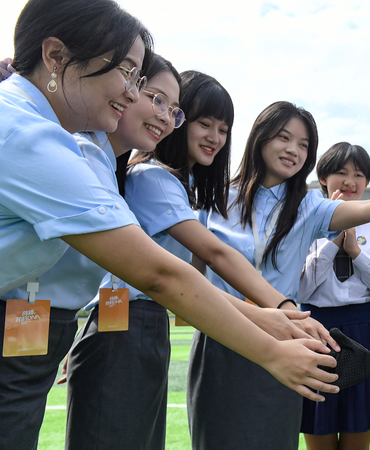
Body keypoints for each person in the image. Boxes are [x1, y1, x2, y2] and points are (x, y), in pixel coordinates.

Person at [0, 2, 337, 449]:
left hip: (46, 327)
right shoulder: (33, 136)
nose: (133, 94)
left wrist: (270, 319)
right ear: (56, 57)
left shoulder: (93, 153)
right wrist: (272, 341)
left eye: (143, 83)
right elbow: (158, 273)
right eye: (129, 75)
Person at [188, 101, 370, 449]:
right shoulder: (214, 197)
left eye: (304, 144)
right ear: (259, 137)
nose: (293, 150)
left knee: (277, 438)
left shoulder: (308, 207)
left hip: (287, 335)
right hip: (222, 334)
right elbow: (196, 271)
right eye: (284, 137)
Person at [298, 143, 370, 450]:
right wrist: (332, 242)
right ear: (323, 178)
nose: (350, 181)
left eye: (358, 174)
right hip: (315, 333)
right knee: (318, 433)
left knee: (359, 436)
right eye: (341, 172)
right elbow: (301, 291)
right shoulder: (303, 227)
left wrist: (356, 253)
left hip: (365, 333)